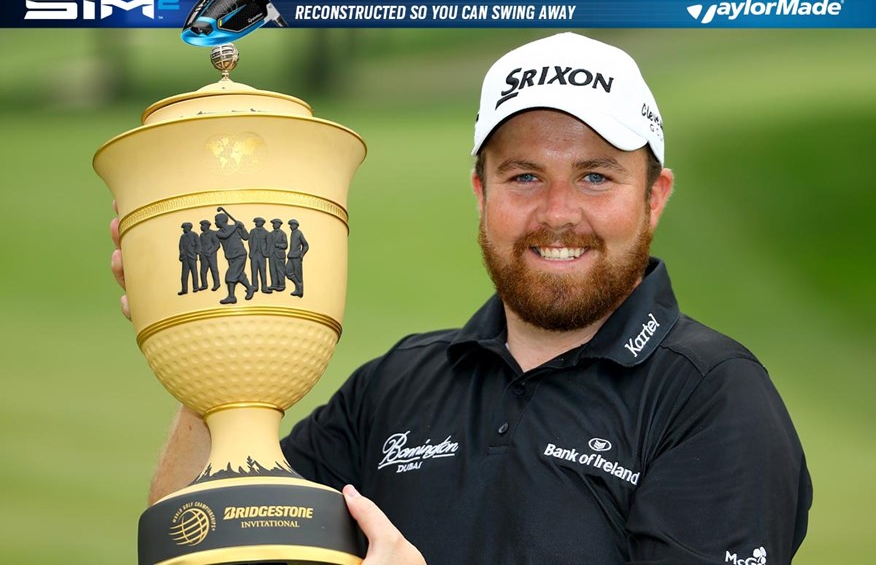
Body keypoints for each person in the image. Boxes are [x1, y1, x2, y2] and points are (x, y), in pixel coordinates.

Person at [110, 33, 811, 564]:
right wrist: (205, 328)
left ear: (654, 198)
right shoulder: (394, 389)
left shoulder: (714, 397)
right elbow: (198, 539)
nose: (558, 213)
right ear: (481, 193)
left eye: (596, 176)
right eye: (524, 176)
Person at [248, 216, 273, 294]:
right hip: (254, 254)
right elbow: (250, 241)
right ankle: (254, 287)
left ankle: (264, 287)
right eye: (256, 222)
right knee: (254, 271)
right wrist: (251, 251)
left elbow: (269, 244)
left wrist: (266, 252)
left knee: (263, 271)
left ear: (262, 223)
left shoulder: (266, 232)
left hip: (262, 255)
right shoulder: (252, 231)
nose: (256, 223)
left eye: (258, 222)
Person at [285, 218, 308, 297]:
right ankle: (298, 286)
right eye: (290, 225)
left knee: (298, 274)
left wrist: (301, 254)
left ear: (296, 225)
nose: (290, 226)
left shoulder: (299, 233)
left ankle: (299, 290)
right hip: (291, 256)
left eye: (291, 225)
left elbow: (306, 245)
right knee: (287, 272)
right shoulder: (293, 233)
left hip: (296, 257)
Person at [177, 222, 200, 295]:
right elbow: (180, 246)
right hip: (185, 257)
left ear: (188, 227)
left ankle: (195, 287)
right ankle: (184, 289)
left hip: (192, 256)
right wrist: (181, 254)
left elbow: (198, 245)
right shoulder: (183, 236)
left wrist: (195, 252)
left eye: (184, 227)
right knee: (184, 274)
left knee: (194, 272)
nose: (183, 229)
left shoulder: (194, 235)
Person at [197, 219, 221, 292]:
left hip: (211, 255)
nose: (201, 227)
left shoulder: (213, 233)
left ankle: (216, 284)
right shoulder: (201, 235)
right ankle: (204, 285)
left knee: (214, 269)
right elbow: (199, 245)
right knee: (203, 271)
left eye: (203, 225)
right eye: (201, 225)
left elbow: (217, 245)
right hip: (203, 255)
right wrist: (200, 252)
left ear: (207, 226)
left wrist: (210, 251)